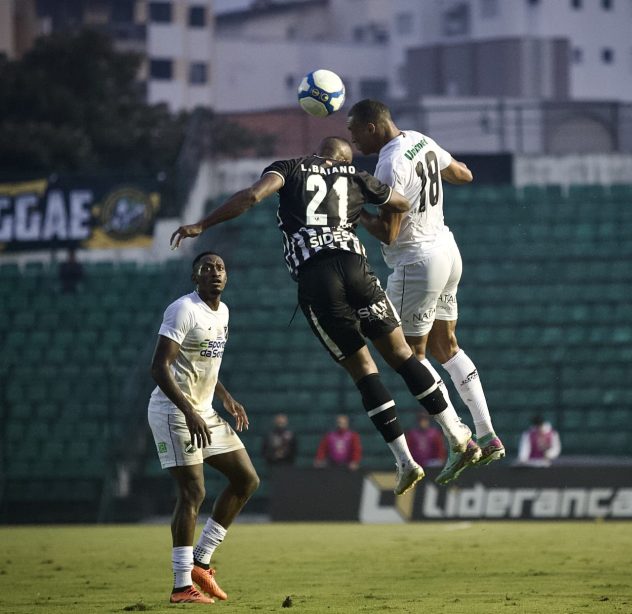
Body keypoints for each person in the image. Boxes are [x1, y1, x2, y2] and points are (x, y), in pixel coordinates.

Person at [171, 136, 479, 496]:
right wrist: (361, 207)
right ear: (345, 159)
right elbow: (400, 202)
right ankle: (457, 432)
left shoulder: (290, 167)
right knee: (402, 355)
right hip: (356, 265)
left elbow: (252, 196)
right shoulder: (356, 176)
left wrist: (202, 225)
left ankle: (405, 461)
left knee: (364, 370)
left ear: (319, 153)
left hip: (317, 277)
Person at [346, 99, 506, 473]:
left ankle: (460, 438)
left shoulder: (388, 163)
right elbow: (464, 174)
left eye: (354, 131)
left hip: (416, 262)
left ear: (372, 127)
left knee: (409, 356)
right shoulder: (420, 140)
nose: (352, 140)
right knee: (446, 346)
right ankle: (488, 432)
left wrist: (360, 214)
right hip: (448, 251)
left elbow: (389, 232)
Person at [148, 251, 260, 604]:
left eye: (221, 267)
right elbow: (159, 367)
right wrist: (190, 411)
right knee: (193, 493)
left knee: (246, 479)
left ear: (227, 277)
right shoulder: (183, 309)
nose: (215, 272)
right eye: (207, 267)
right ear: (195, 276)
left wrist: (225, 396)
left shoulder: (223, 312)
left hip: (205, 410)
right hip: (173, 410)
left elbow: (203, 363)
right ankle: (182, 586)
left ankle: (201, 560)